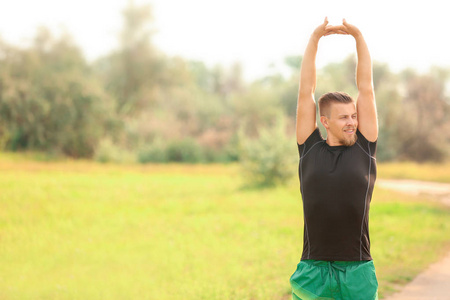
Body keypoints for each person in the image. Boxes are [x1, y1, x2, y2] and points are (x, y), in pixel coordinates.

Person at [289, 18, 379, 300]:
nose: (352, 122)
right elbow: (306, 91)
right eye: (344, 117)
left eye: (354, 116)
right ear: (324, 121)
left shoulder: (364, 147)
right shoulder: (309, 147)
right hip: (312, 268)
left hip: (358, 269)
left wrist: (358, 37)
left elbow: (367, 88)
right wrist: (315, 38)